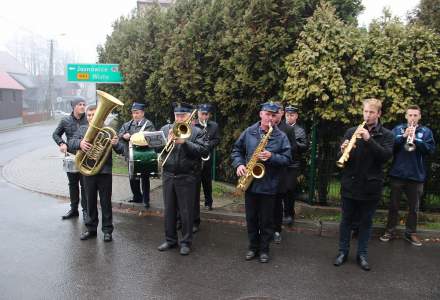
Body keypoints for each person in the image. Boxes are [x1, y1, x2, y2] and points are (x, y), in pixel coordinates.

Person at [333, 98, 394, 271]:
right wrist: (343, 150)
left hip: (370, 187)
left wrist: (369, 139)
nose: (367, 115)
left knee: (366, 222)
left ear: (379, 114)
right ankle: (342, 252)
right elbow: (341, 159)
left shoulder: (387, 135)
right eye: (365, 111)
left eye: (371, 112)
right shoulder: (352, 131)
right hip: (350, 184)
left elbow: (384, 157)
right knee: (346, 221)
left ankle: (362, 255)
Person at [231, 102, 291, 263]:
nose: (270, 118)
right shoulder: (249, 132)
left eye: (273, 115)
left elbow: (287, 159)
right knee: (251, 219)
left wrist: (272, 156)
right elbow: (237, 150)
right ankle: (252, 247)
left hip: (269, 185)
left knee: (266, 221)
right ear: (260, 114)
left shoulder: (281, 136)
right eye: (267, 114)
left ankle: (264, 250)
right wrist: (239, 164)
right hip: (250, 184)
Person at [157, 102, 209, 256]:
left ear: (189, 116)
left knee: (186, 212)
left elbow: (203, 150)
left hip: (187, 176)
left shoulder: (198, 132)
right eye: (176, 115)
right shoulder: (166, 129)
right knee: (169, 210)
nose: (178, 118)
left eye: (182, 115)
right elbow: (157, 148)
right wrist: (164, 142)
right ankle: (170, 240)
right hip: (168, 175)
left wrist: (185, 143)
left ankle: (186, 242)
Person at [380, 105, 435, 246]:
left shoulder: (426, 131)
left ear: (420, 116)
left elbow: (430, 149)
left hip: (416, 176)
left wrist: (416, 139)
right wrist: (403, 137)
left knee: (414, 208)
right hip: (398, 174)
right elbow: (389, 146)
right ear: (406, 116)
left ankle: (410, 233)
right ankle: (390, 230)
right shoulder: (398, 129)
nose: (412, 118)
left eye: (415, 115)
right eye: (410, 115)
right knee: (393, 205)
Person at [68, 105, 125, 242]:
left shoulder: (108, 130)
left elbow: (121, 149)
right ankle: (91, 229)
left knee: (106, 202)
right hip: (88, 172)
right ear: (86, 116)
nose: (91, 117)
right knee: (89, 202)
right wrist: (80, 143)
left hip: (104, 171)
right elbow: (71, 142)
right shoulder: (82, 129)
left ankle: (107, 231)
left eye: (94, 114)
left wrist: (116, 144)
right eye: (89, 115)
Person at [52, 96, 88, 220]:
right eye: (80, 104)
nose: (83, 106)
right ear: (74, 107)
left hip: (85, 157)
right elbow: (55, 134)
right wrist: (61, 143)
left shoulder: (88, 120)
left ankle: (86, 211)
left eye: (84, 104)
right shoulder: (65, 120)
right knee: (73, 184)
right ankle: (73, 210)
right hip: (72, 157)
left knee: (85, 185)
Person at [118, 102, 155, 208]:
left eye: (137, 113)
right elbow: (119, 134)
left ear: (142, 113)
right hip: (131, 155)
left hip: (144, 155)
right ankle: (137, 197)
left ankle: (146, 200)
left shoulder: (148, 124)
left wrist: (136, 137)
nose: (135, 115)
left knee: (144, 178)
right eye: (133, 113)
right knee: (132, 177)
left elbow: (151, 137)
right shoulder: (128, 124)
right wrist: (123, 136)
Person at [192, 103, 220, 232]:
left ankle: (209, 202)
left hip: (207, 157)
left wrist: (208, 145)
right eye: (201, 114)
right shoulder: (193, 124)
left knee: (207, 181)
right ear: (198, 114)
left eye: (206, 114)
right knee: (196, 183)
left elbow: (217, 139)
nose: (203, 116)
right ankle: (195, 206)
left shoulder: (213, 126)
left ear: (209, 115)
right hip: (196, 158)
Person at [272, 104, 296, 244]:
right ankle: (263, 228)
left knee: (276, 204)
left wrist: (275, 154)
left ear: (281, 113)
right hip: (265, 173)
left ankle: (276, 230)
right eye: (271, 113)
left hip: (280, 171)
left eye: (276, 113)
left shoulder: (288, 129)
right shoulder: (263, 127)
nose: (273, 116)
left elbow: (292, 149)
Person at [282, 105, 307, 225]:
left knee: (289, 189)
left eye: (291, 115)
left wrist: (293, 142)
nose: (289, 117)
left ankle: (289, 214)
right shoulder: (281, 127)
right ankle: (279, 213)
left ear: (296, 116)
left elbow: (304, 146)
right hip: (281, 162)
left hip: (293, 164)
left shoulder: (299, 130)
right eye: (287, 115)